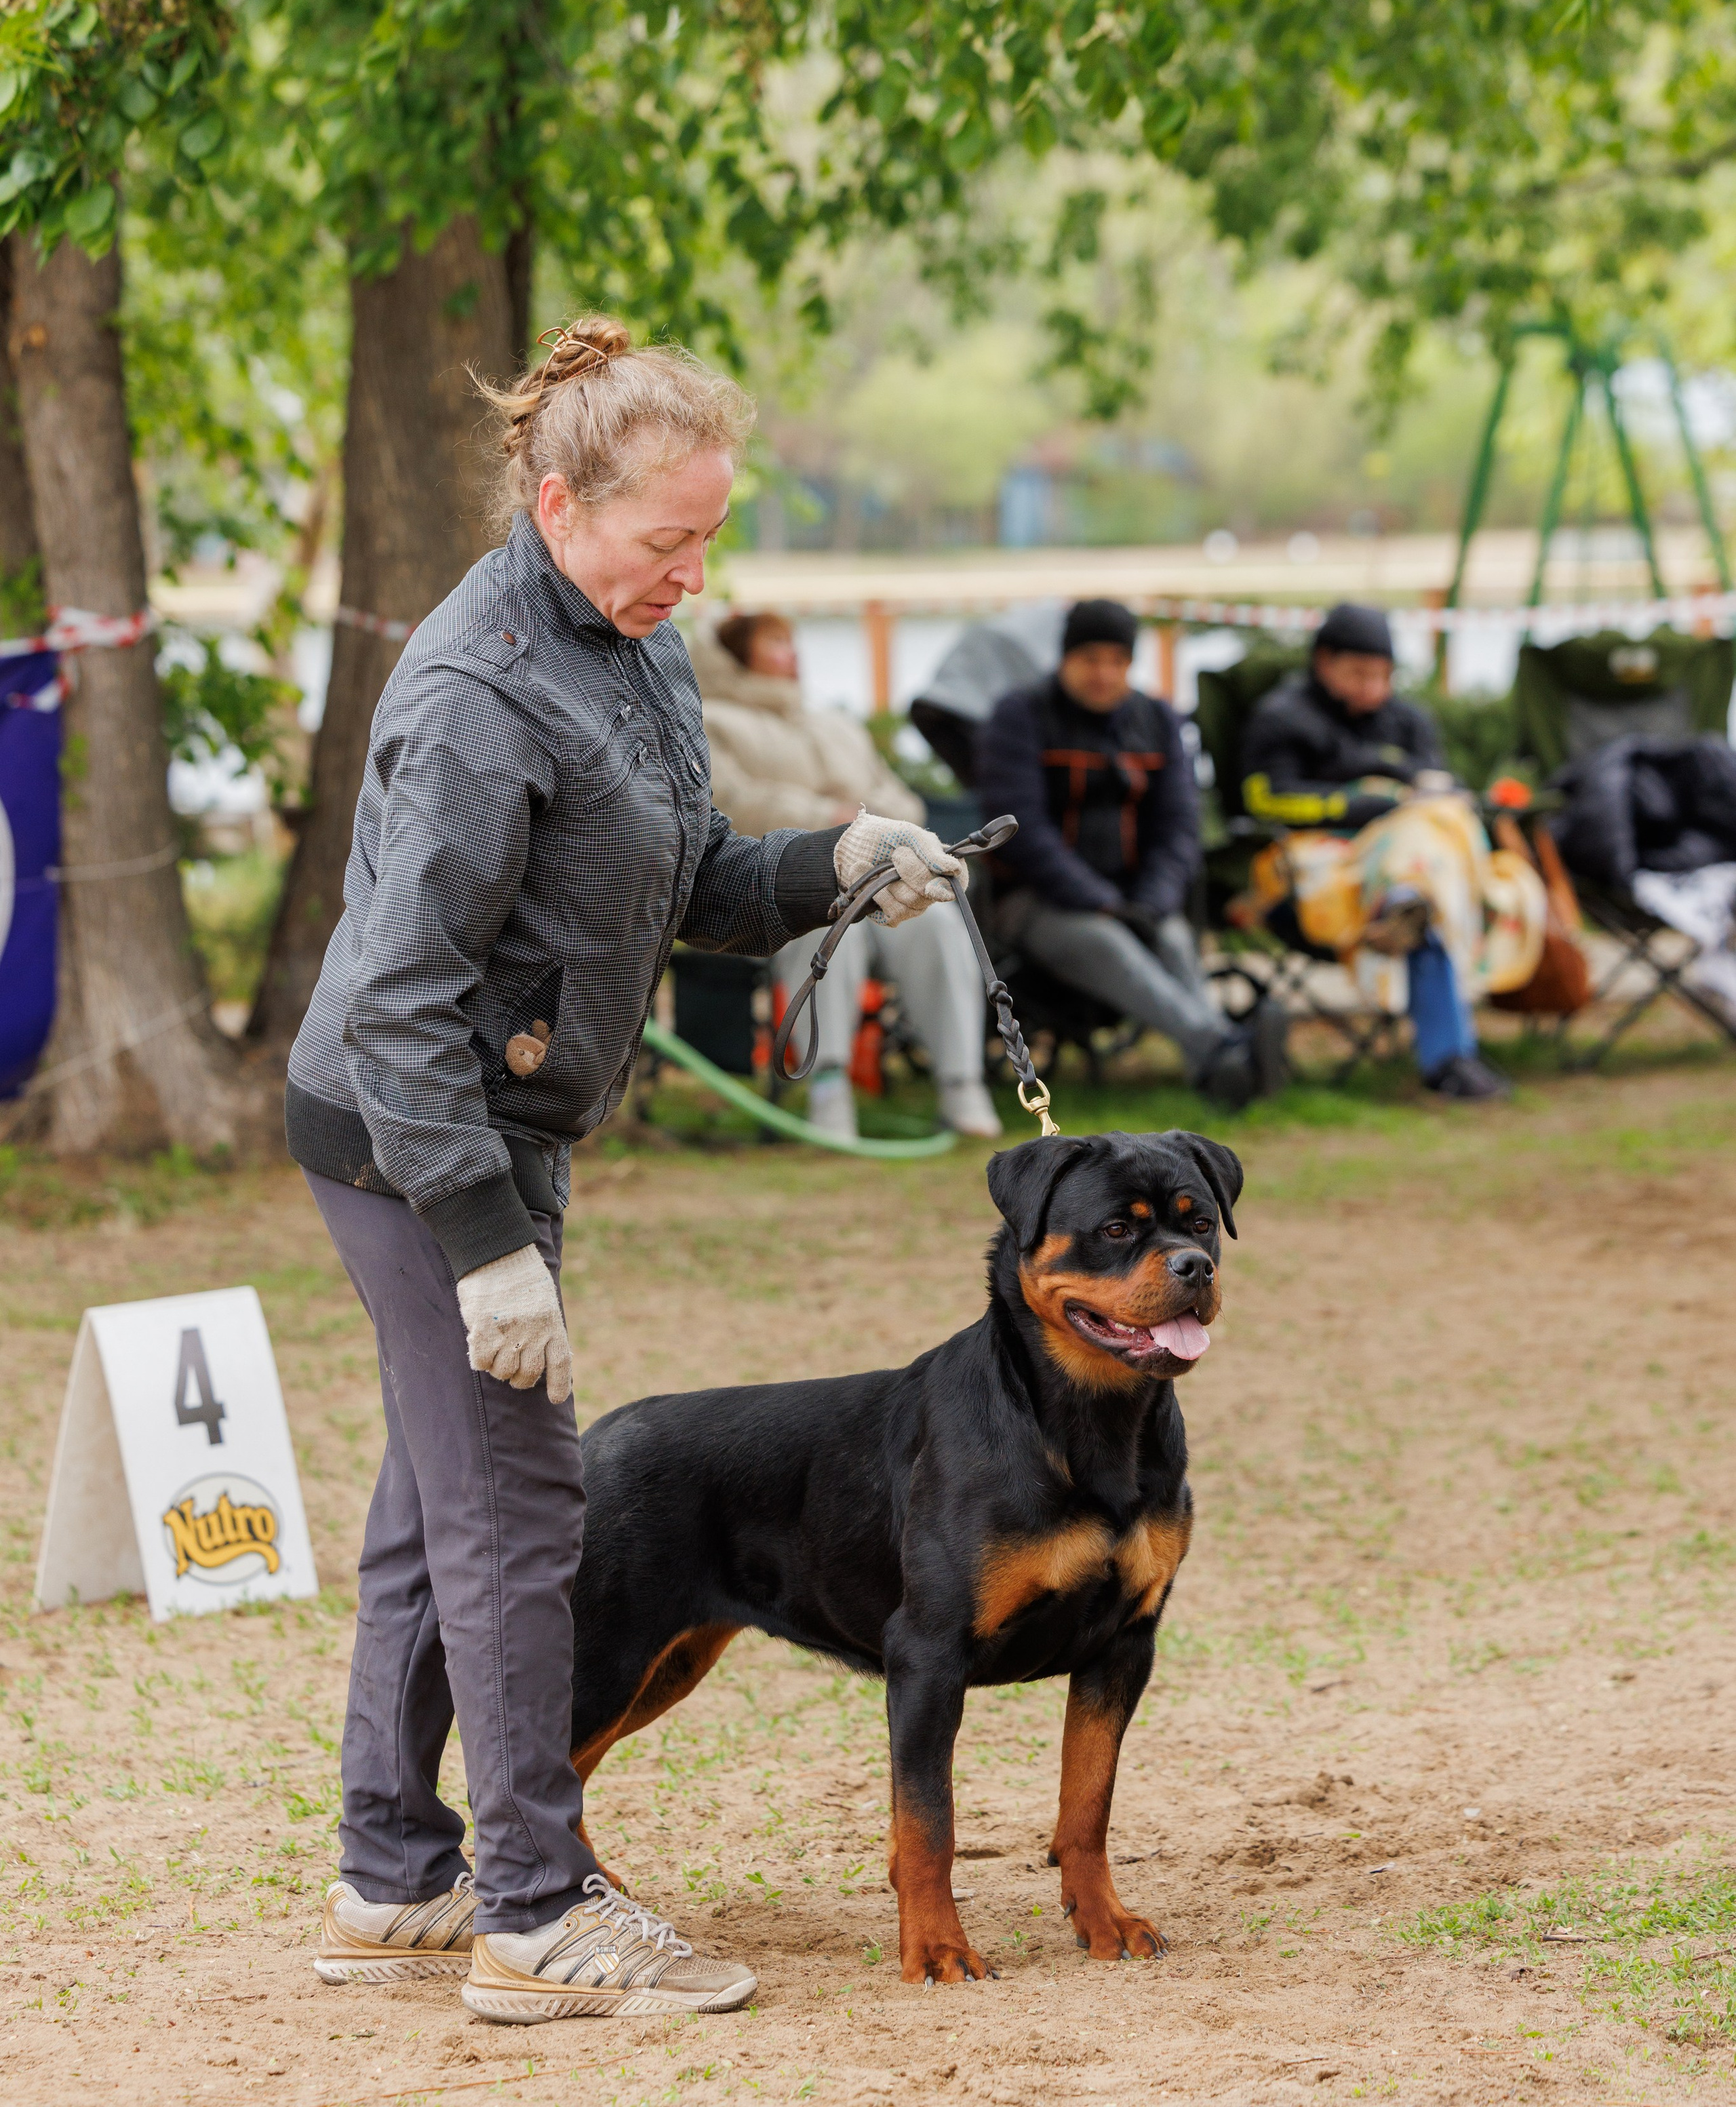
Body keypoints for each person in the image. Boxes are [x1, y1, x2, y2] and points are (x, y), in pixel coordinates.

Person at [283, 317, 964, 2023]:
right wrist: (481, 1241)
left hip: (492, 1132)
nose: (696, 567)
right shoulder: (472, 693)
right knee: (516, 1507)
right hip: (412, 1135)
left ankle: (392, 1870)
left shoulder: (631, 640)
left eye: (712, 532)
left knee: (434, 1506)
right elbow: (396, 1006)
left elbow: (683, 877)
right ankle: (527, 1910)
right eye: (671, 536)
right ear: (559, 499)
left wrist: (832, 863)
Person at [695, 612, 1002, 1138]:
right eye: (775, 642)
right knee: (824, 929)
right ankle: (829, 1089)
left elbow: (904, 802)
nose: (792, 653)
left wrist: (871, 823)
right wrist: (830, 820)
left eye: (792, 641)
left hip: (883, 885)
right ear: (733, 654)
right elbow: (729, 803)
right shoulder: (712, 722)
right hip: (786, 883)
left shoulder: (836, 725)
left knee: (939, 926)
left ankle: (960, 1084)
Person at [975, 597, 1285, 1109]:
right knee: (1108, 943)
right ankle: (1223, 1046)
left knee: (1175, 940)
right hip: (1034, 901)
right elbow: (1022, 831)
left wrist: (1151, 901)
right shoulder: (1021, 716)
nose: (1104, 674)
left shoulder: (1156, 719)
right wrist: (1102, 902)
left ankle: (1216, 1071)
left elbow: (1179, 828)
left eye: (1117, 661)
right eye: (1091, 660)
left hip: (1138, 898)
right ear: (1065, 658)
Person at [1238, 602, 1528, 1101]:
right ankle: (1450, 1059)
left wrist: (1433, 789)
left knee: (1430, 850)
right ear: (1324, 662)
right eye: (1359, 674)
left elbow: (1441, 786)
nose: (1373, 689)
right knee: (1421, 876)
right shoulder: (1282, 719)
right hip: (1319, 869)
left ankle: (1403, 907)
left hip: (1414, 867)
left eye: (1383, 676)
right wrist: (1371, 800)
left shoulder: (1407, 720)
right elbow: (1263, 798)